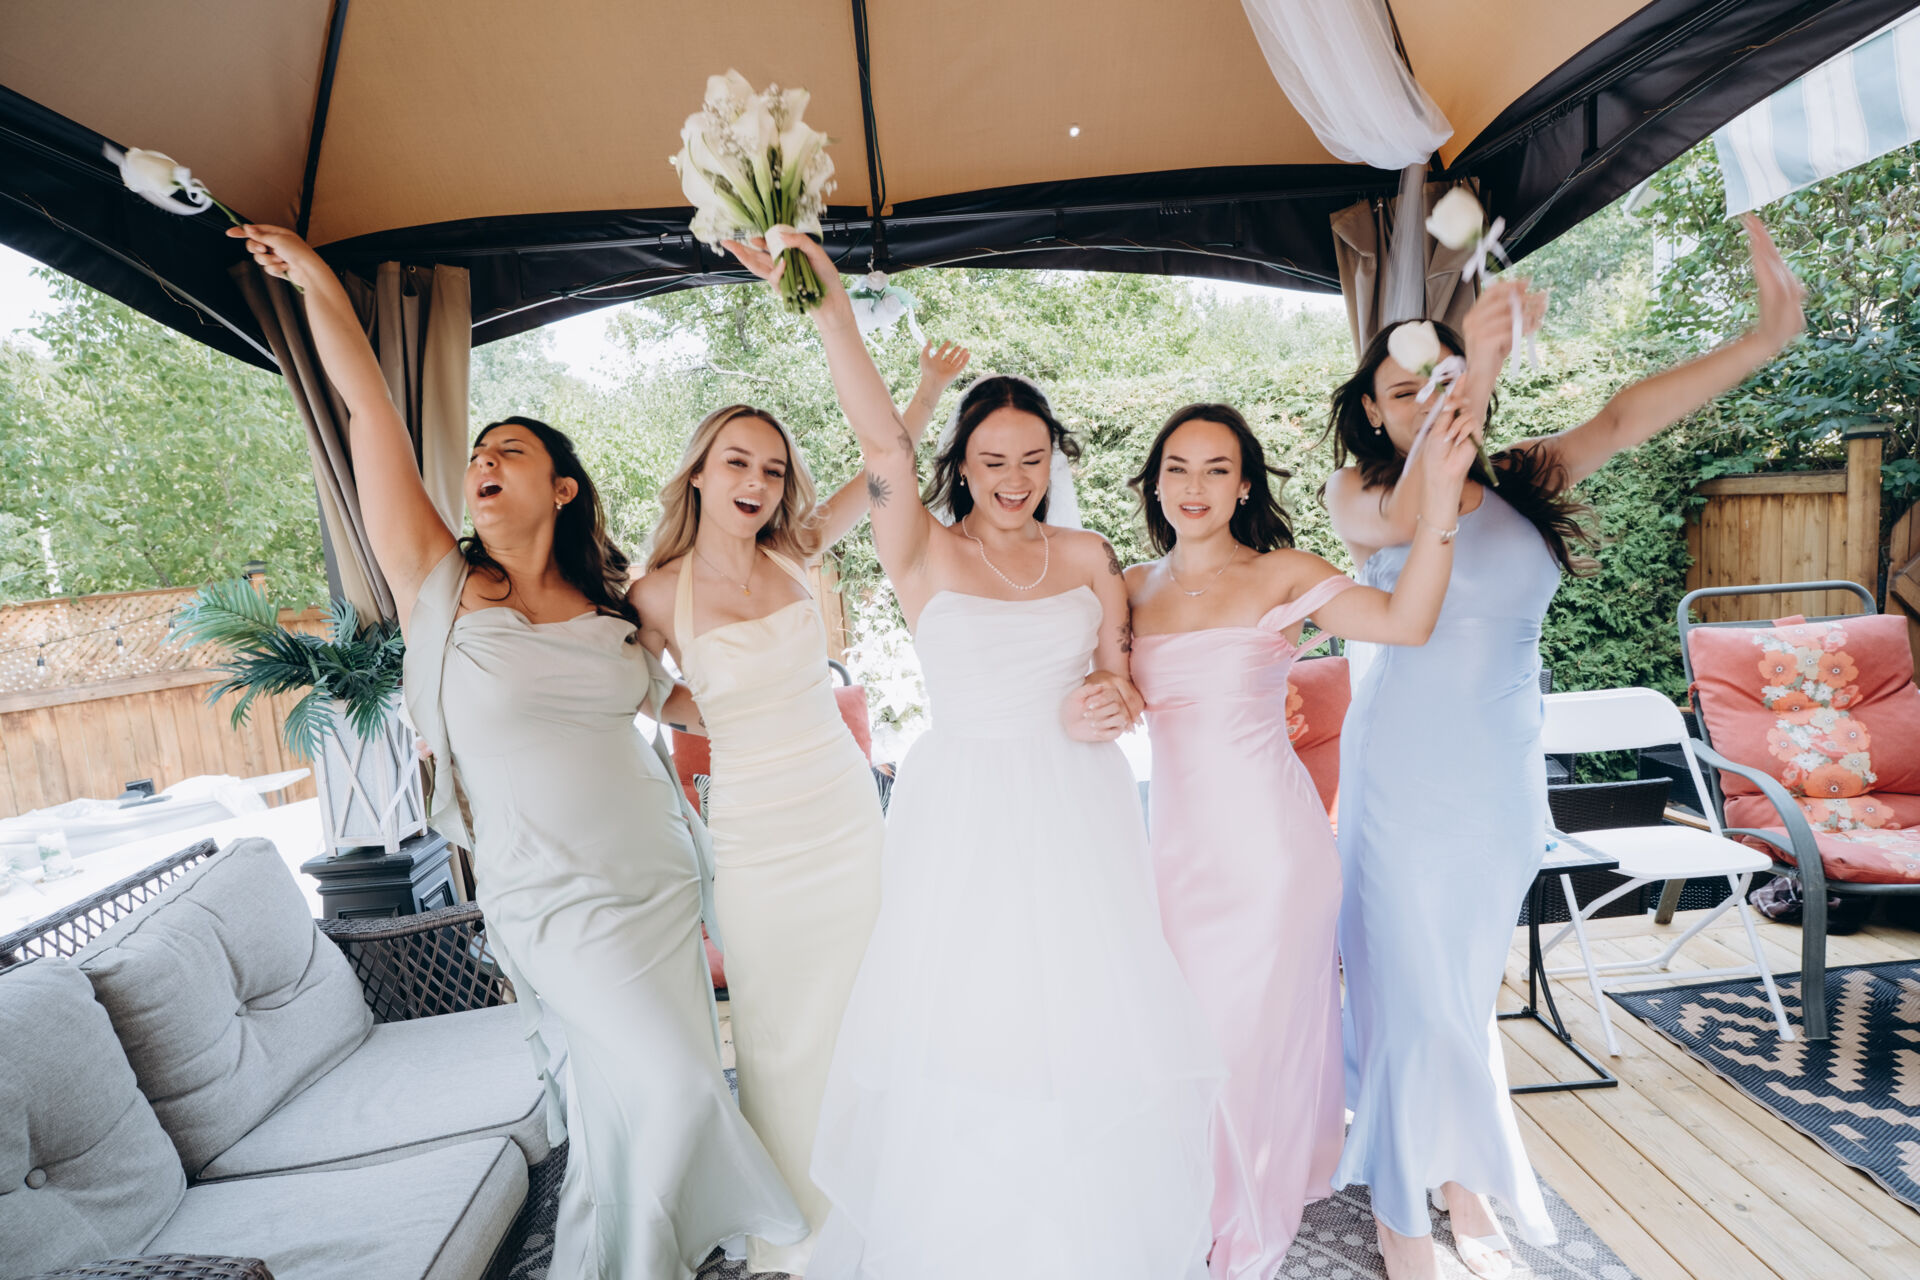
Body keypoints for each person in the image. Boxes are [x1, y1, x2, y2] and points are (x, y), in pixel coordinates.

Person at [227, 224, 807, 1279]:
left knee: (634, 1092)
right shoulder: (436, 584)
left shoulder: (616, 606)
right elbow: (371, 414)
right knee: (678, 1083)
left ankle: (643, 1255)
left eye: (510, 451)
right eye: (478, 454)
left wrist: (789, 711)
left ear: (563, 487)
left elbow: (698, 706)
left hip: (657, 879)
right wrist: (316, 282)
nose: (483, 463)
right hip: (546, 895)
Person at [725, 229, 1224, 1280]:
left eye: (1032, 459)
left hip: (1079, 808)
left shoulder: (1090, 555)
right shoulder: (921, 547)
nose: (1014, 478)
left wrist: (1109, 700)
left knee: (1081, 1020)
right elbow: (879, 444)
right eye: (992, 460)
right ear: (960, 464)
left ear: (1055, 460)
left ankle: (1082, 1238)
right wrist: (826, 305)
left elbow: (1121, 680)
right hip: (965, 813)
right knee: (972, 1024)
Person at [1325, 217, 1804, 1280]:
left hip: (1498, 781)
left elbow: (1627, 414)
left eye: (1437, 383)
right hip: (1399, 778)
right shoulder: (1359, 497)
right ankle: (1404, 1201)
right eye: (1403, 392)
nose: (1425, 403)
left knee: (1460, 985)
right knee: (1407, 982)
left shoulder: (1526, 479)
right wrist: (1476, 370)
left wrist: (1760, 342)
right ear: (1372, 411)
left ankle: (1460, 1176)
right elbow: (1418, 506)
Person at [1119, 388, 1481, 1279]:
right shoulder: (1127, 588)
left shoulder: (1282, 573)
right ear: (1155, 483)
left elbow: (1407, 623)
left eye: (1216, 469)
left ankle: (1244, 1202)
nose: (1194, 486)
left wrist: (1439, 509)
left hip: (1271, 852)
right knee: (1193, 1025)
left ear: (1244, 485)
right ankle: (1197, 1182)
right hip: (1175, 850)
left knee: (1248, 1028)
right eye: (1178, 468)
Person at [627, 340, 971, 1275]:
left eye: (773, 470)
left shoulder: (796, 549)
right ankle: (803, 1230)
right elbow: (627, 689)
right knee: (778, 1028)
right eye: (737, 462)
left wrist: (926, 391)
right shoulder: (653, 594)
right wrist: (704, 707)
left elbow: (886, 472)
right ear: (699, 474)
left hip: (843, 814)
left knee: (870, 1002)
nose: (757, 482)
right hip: (755, 833)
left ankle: (889, 1199)